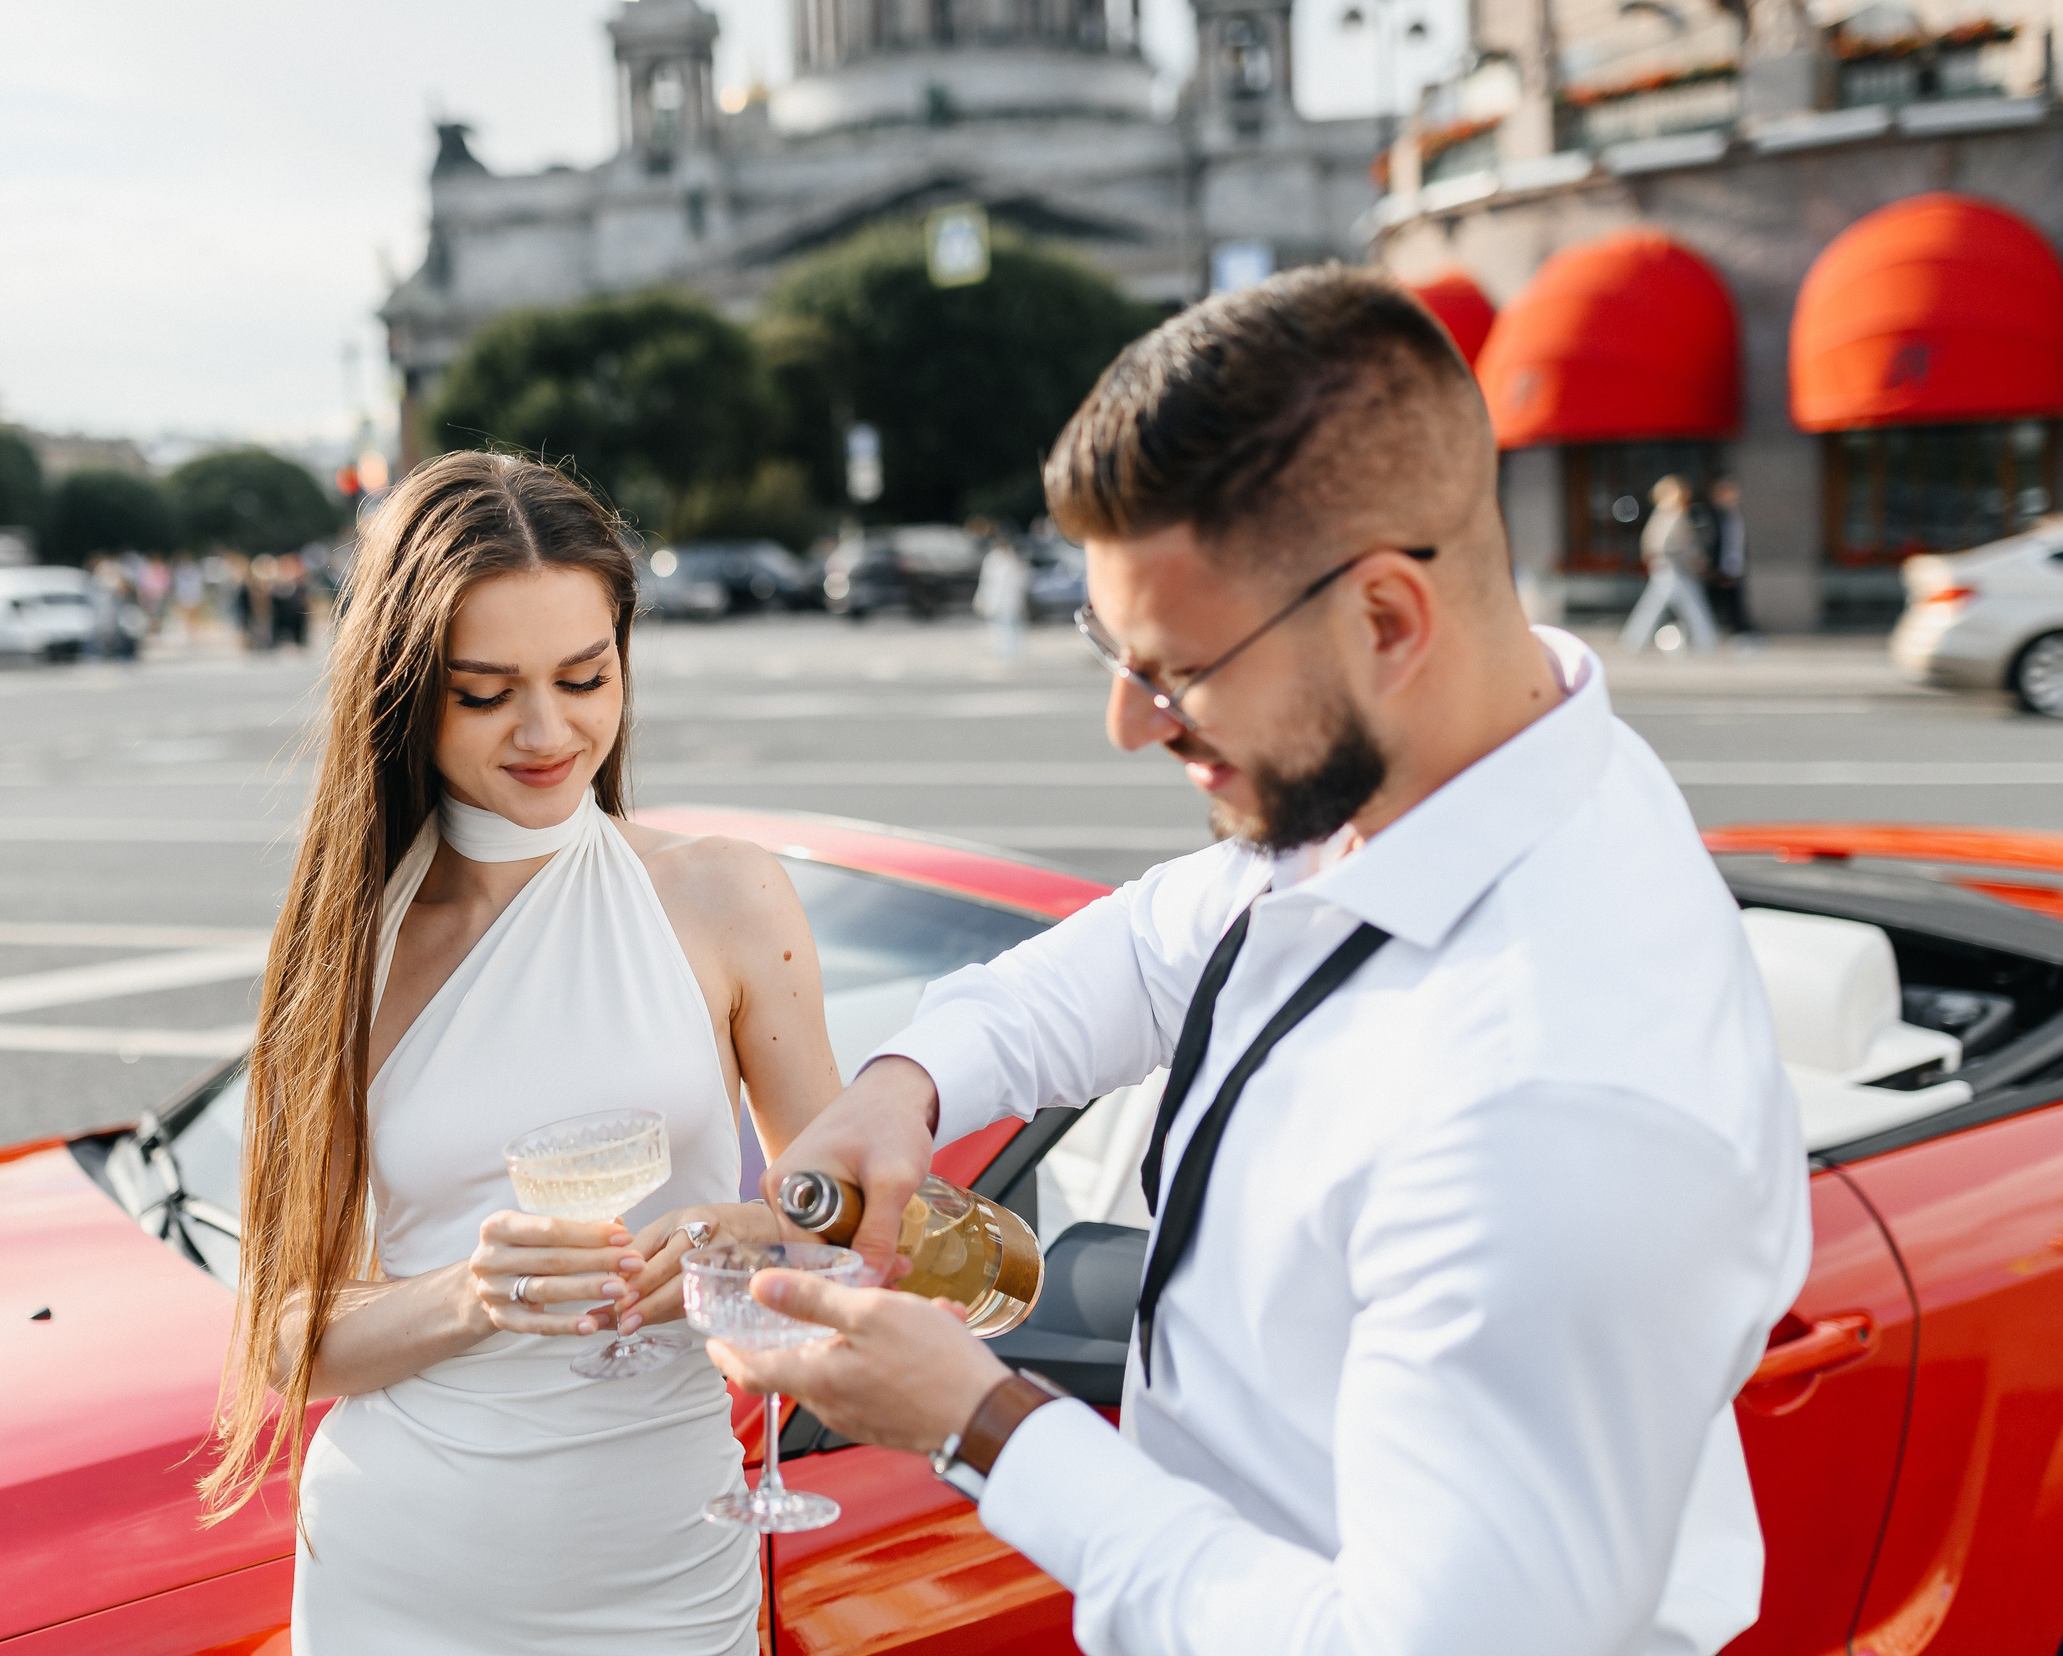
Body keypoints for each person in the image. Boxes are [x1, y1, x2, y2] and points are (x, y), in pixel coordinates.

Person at [711, 267, 1810, 1656]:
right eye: (1112, 648)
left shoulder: (1546, 1102)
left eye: (1176, 669)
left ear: (1389, 620)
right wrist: (910, 1075)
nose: (1127, 721)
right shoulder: (1441, 765)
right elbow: (1162, 942)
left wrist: (978, 1420)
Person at [202, 452, 843, 1654]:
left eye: (583, 676)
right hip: (402, 1568)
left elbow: (852, 1211)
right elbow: (289, 1331)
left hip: (664, 1559)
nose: (549, 731)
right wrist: (471, 1295)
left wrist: (745, 1236)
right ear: (402, 692)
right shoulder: (348, 951)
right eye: (484, 691)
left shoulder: (721, 895)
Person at [1620, 474, 1719, 655]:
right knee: (1691, 607)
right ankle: (1706, 641)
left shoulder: (1664, 513)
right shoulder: (1671, 514)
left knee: (1655, 608)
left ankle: (1634, 640)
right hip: (1673, 569)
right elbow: (1665, 544)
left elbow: (1651, 542)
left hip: (1667, 568)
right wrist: (1690, 559)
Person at [1705, 474, 1755, 639]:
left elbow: (1738, 543)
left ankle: (1741, 632)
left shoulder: (1735, 514)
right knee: (1711, 603)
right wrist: (1716, 567)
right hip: (1719, 567)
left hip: (1735, 566)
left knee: (1734, 602)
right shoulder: (1713, 515)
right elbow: (1713, 543)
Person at [974, 531, 1031, 664]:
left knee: (1013, 629)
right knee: (998, 629)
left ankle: (1013, 657)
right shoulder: (993, 559)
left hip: (1010, 601)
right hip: (996, 600)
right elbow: (986, 581)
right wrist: (982, 598)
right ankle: (1003, 655)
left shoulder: (1013, 560)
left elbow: (1022, 582)